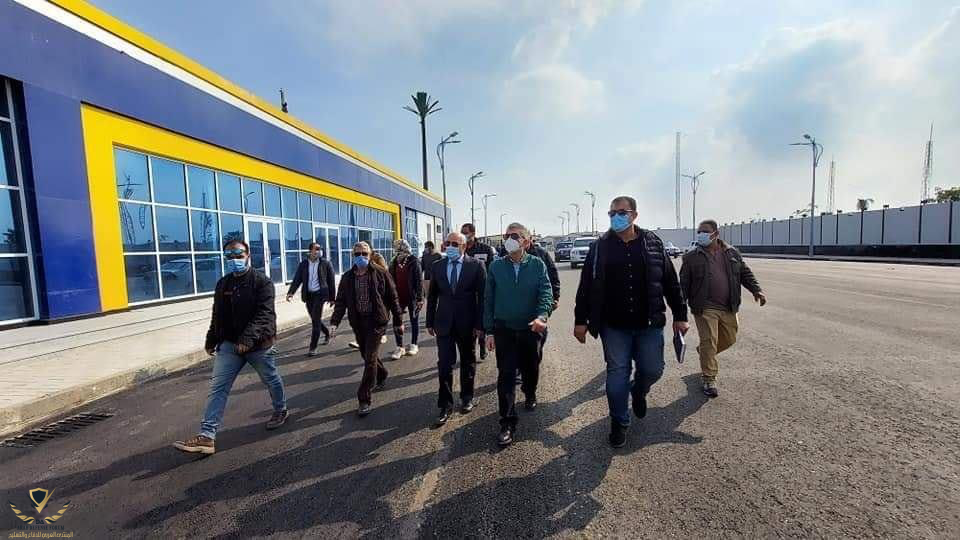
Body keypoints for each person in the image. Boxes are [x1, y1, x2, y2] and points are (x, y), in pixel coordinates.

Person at [573, 196, 689, 448]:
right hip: (613, 326)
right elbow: (586, 286)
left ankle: (639, 390)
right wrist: (580, 320)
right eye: (611, 213)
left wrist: (681, 315)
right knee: (617, 374)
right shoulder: (600, 247)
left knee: (653, 369)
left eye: (621, 212)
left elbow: (670, 282)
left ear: (634, 215)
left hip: (649, 324)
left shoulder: (652, 243)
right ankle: (619, 421)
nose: (616, 217)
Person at [173, 240, 287, 455]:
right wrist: (211, 339)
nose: (235, 260)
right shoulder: (223, 284)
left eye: (239, 255)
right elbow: (218, 314)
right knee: (218, 387)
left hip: (259, 345)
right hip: (229, 345)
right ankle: (207, 436)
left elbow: (264, 315)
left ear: (248, 256)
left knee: (271, 379)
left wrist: (247, 340)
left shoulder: (262, 282)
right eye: (230, 256)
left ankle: (280, 409)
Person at [484, 223, 553, 447]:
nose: (509, 239)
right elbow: (488, 300)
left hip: (530, 328)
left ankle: (530, 392)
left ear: (526, 241)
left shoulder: (537, 264)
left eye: (514, 236)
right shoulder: (496, 267)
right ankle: (507, 422)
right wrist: (489, 331)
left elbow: (546, 292)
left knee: (531, 367)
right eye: (507, 235)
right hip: (504, 329)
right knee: (506, 375)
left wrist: (542, 315)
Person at [679, 219, 766, 398]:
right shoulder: (691, 257)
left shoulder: (731, 253)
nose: (701, 235)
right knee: (710, 340)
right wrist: (680, 313)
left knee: (729, 338)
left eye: (705, 231)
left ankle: (705, 353)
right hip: (704, 307)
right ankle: (709, 379)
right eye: (699, 232)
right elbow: (684, 285)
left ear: (716, 234)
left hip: (728, 306)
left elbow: (745, 273)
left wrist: (756, 290)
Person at [330, 242, 403, 417]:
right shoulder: (348, 277)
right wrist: (334, 322)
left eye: (364, 253)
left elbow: (393, 297)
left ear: (370, 255)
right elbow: (341, 301)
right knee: (366, 354)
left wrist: (398, 320)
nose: (361, 257)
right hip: (358, 322)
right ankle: (382, 373)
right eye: (357, 254)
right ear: (352, 256)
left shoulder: (380, 273)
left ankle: (364, 398)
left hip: (376, 321)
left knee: (369, 359)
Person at [425, 232, 486, 425]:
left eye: (455, 244)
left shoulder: (476, 266)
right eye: (448, 243)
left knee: (468, 361)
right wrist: (429, 321)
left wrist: (480, 324)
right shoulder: (438, 266)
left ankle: (467, 397)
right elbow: (432, 296)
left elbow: (482, 297)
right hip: (443, 323)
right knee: (444, 364)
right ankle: (445, 404)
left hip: (467, 324)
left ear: (464, 246)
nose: (450, 247)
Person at [285, 242, 336, 356]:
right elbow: (297, 279)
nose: (319, 251)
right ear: (310, 251)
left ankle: (313, 347)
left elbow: (331, 281)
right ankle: (326, 332)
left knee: (315, 321)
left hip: (320, 295)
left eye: (320, 249)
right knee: (315, 319)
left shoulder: (325, 263)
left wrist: (332, 298)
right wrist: (291, 292)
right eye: (316, 249)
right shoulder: (303, 264)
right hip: (308, 295)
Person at [462, 223, 496, 361]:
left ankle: (482, 347)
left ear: (473, 233)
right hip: (466, 292)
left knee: (481, 319)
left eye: (465, 232)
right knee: (469, 322)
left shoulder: (485, 249)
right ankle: (470, 350)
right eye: (462, 232)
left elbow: (492, 269)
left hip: (483, 291)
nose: (463, 235)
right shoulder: (461, 249)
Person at [388, 239, 424, 359]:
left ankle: (414, 344)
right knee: (397, 321)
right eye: (396, 248)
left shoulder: (413, 261)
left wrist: (420, 298)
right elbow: (390, 279)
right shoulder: (394, 261)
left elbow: (419, 280)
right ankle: (400, 347)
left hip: (412, 297)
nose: (397, 250)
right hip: (398, 297)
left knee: (414, 320)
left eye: (399, 247)